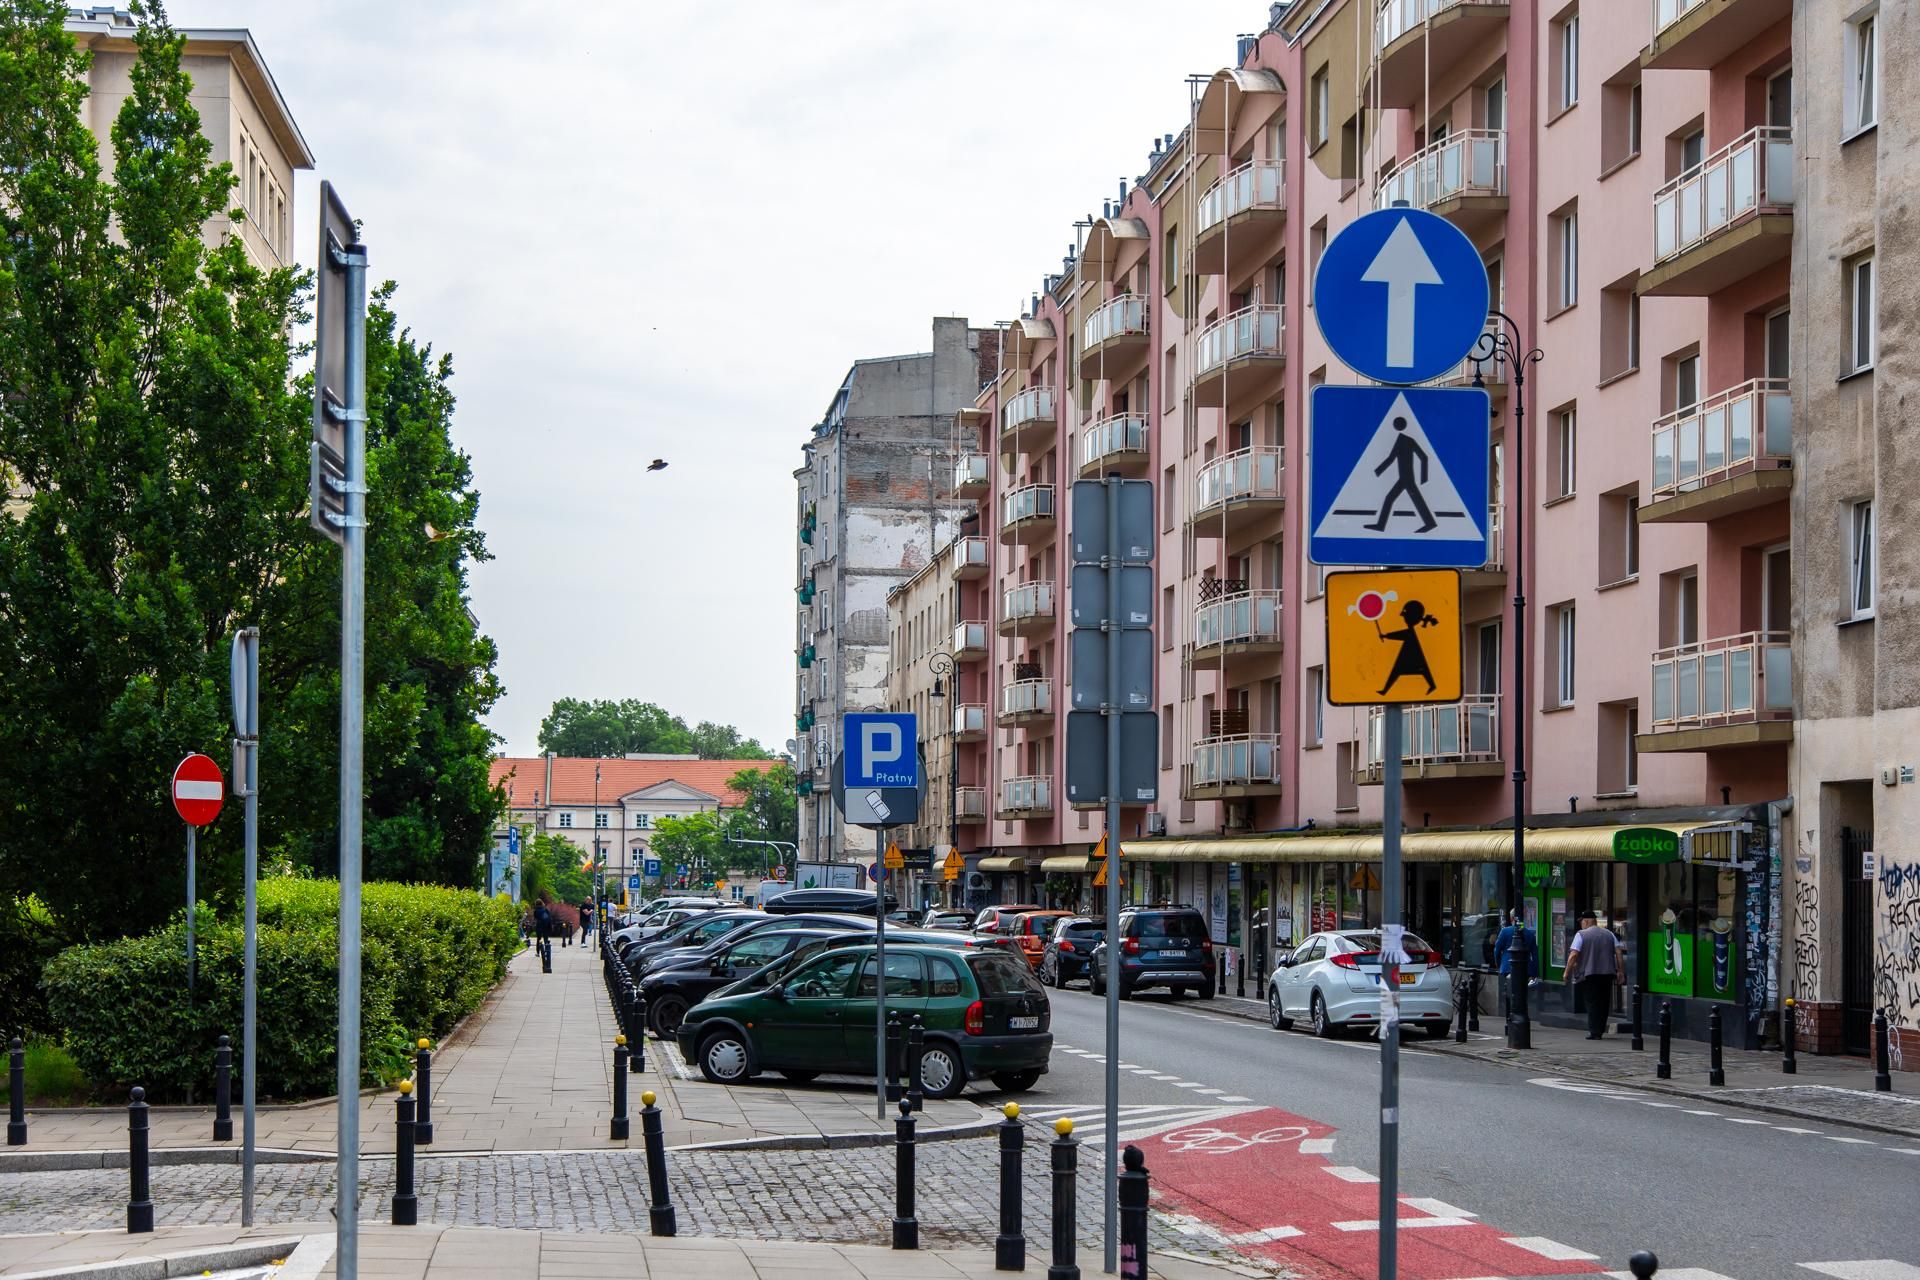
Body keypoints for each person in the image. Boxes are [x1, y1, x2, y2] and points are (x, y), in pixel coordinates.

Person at [1567, 912, 1626, 1039]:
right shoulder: (1609, 934)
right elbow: (1619, 952)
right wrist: (1620, 971)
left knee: (1592, 1001)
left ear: (1587, 922)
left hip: (1590, 973)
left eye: (1582, 921)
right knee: (1604, 1001)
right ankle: (1600, 1028)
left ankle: (1594, 1031)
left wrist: (1567, 971)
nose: (1581, 924)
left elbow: (1573, 955)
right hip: (1607, 973)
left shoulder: (1581, 934)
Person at [1492, 909, 1538, 1015]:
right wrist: (1535, 972)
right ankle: (1522, 1014)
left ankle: (1511, 1016)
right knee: (1522, 993)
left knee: (1510, 993)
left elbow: (1497, 950)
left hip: (1508, 967)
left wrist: (1498, 964)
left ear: (1511, 918)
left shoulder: (1505, 931)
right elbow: (1534, 954)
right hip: (1525, 968)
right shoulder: (1529, 934)